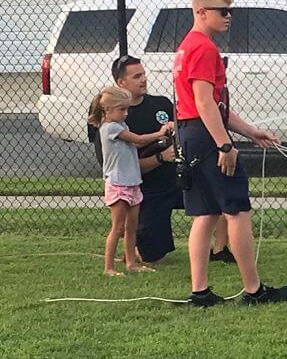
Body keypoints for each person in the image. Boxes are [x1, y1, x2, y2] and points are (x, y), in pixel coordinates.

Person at [173, 0, 287, 306]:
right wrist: (225, 146)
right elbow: (204, 103)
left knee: (207, 213)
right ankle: (253, 290)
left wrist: (251, 131)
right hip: (204, 134)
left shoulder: (189, 45)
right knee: (237, 211)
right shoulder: (203, 48)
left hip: (191, 132)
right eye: (222, 11)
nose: (228, 17)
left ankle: (200, 292)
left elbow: (216, 104)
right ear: (201, 12)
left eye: (230, 11)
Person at [95, 55, 236, 265]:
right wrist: (161, 157)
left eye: (143, 74)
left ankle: (219, 250)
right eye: (136, 76)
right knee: (153, 258)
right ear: (121, 83)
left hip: (177, 179)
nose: (143, 79)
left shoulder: (160, 104)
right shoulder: (114, 124)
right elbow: (124, 168)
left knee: (220, 191)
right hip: (148, 190)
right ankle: (135, 252)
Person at [88, 86, 170, 276]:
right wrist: (160, 133)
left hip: (132, 181)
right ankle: (109, 267)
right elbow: (139, 140)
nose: (126, 114)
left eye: (127, 109)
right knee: (117, 228)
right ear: (107, 110)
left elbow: (134, 142)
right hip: (118, 184)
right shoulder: (111, 128)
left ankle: (131, 263)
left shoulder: (122, 125)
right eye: (121, 110)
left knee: (131, 227)